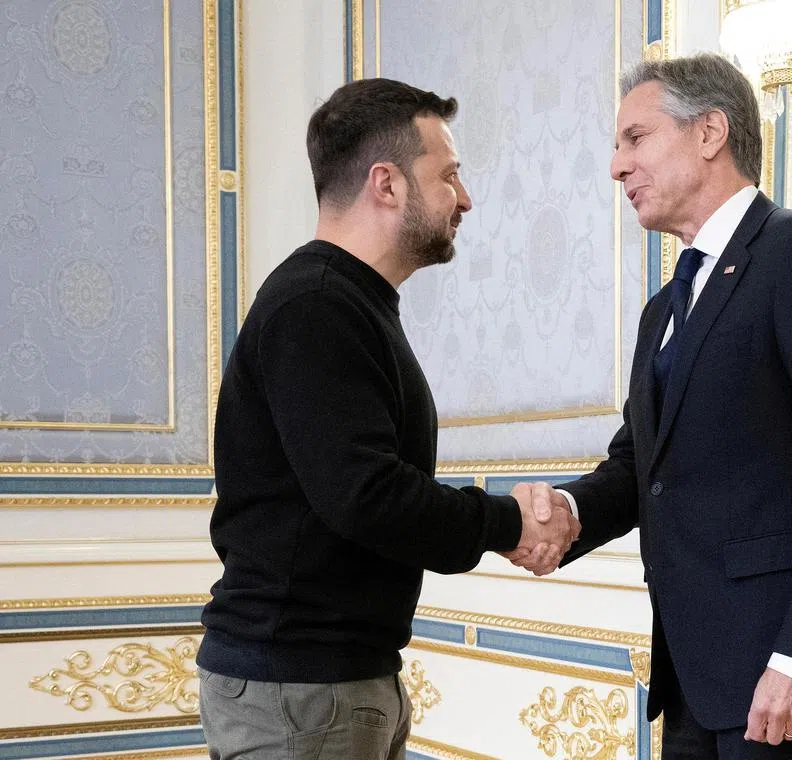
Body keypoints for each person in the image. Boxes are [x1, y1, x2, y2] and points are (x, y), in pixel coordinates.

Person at [508, 54, 792, 760]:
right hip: (691, 672)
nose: (617, 167)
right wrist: (566, 513)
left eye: (635, 138)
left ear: (710, 131)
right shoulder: (665, 306)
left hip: (779, 670)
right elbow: (640, 466)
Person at [195, 78, 579, 760]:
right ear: (387, 183)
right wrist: (510, 523)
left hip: (330, 682)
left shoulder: (348, 303)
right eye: (449, 176)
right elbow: (366, 496)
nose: (465, 198)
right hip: (301, 688)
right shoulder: (316, 306)